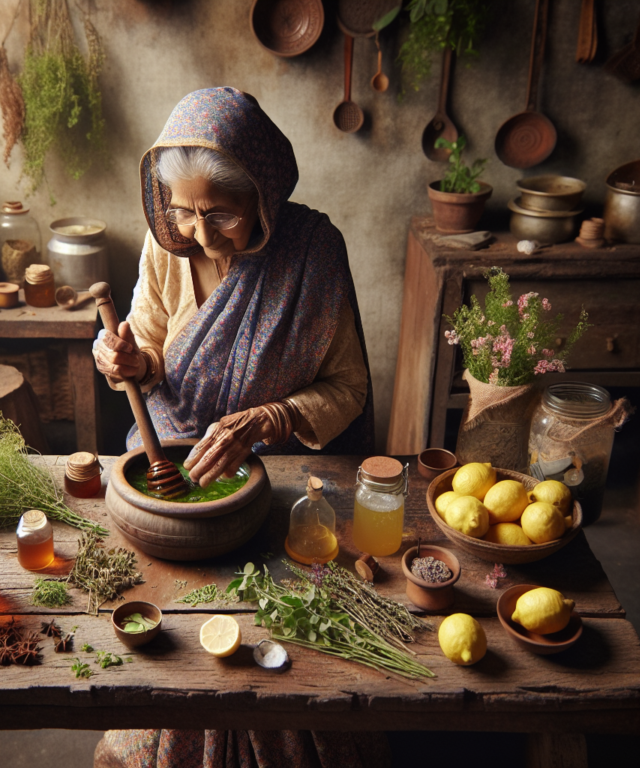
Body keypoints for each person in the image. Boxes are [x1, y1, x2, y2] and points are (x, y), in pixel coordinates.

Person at [92, 87, 387, 766]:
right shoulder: (166, 245)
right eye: (184, 212)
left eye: (219, 214)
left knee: (275, 645)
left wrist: (268, 417)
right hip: (167, 456)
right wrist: (129, 357)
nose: (198, 233)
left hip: (277, 478)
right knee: (169, 632)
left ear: (265, 194)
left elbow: (347, 388)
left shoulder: (312, 251)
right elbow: (153, 350)